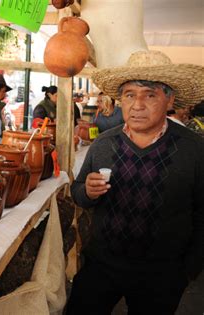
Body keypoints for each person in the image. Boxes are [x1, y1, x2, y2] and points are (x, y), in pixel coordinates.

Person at [67, 50, 204, 314]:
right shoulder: (104, 144)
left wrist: (188, 270)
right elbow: (78, 192)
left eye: (150, 95)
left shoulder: (194, 150)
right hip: (102, 266)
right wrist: (87, 191)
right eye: (129, 95)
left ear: (170, 99)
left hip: (161, 274)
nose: (137, 105)